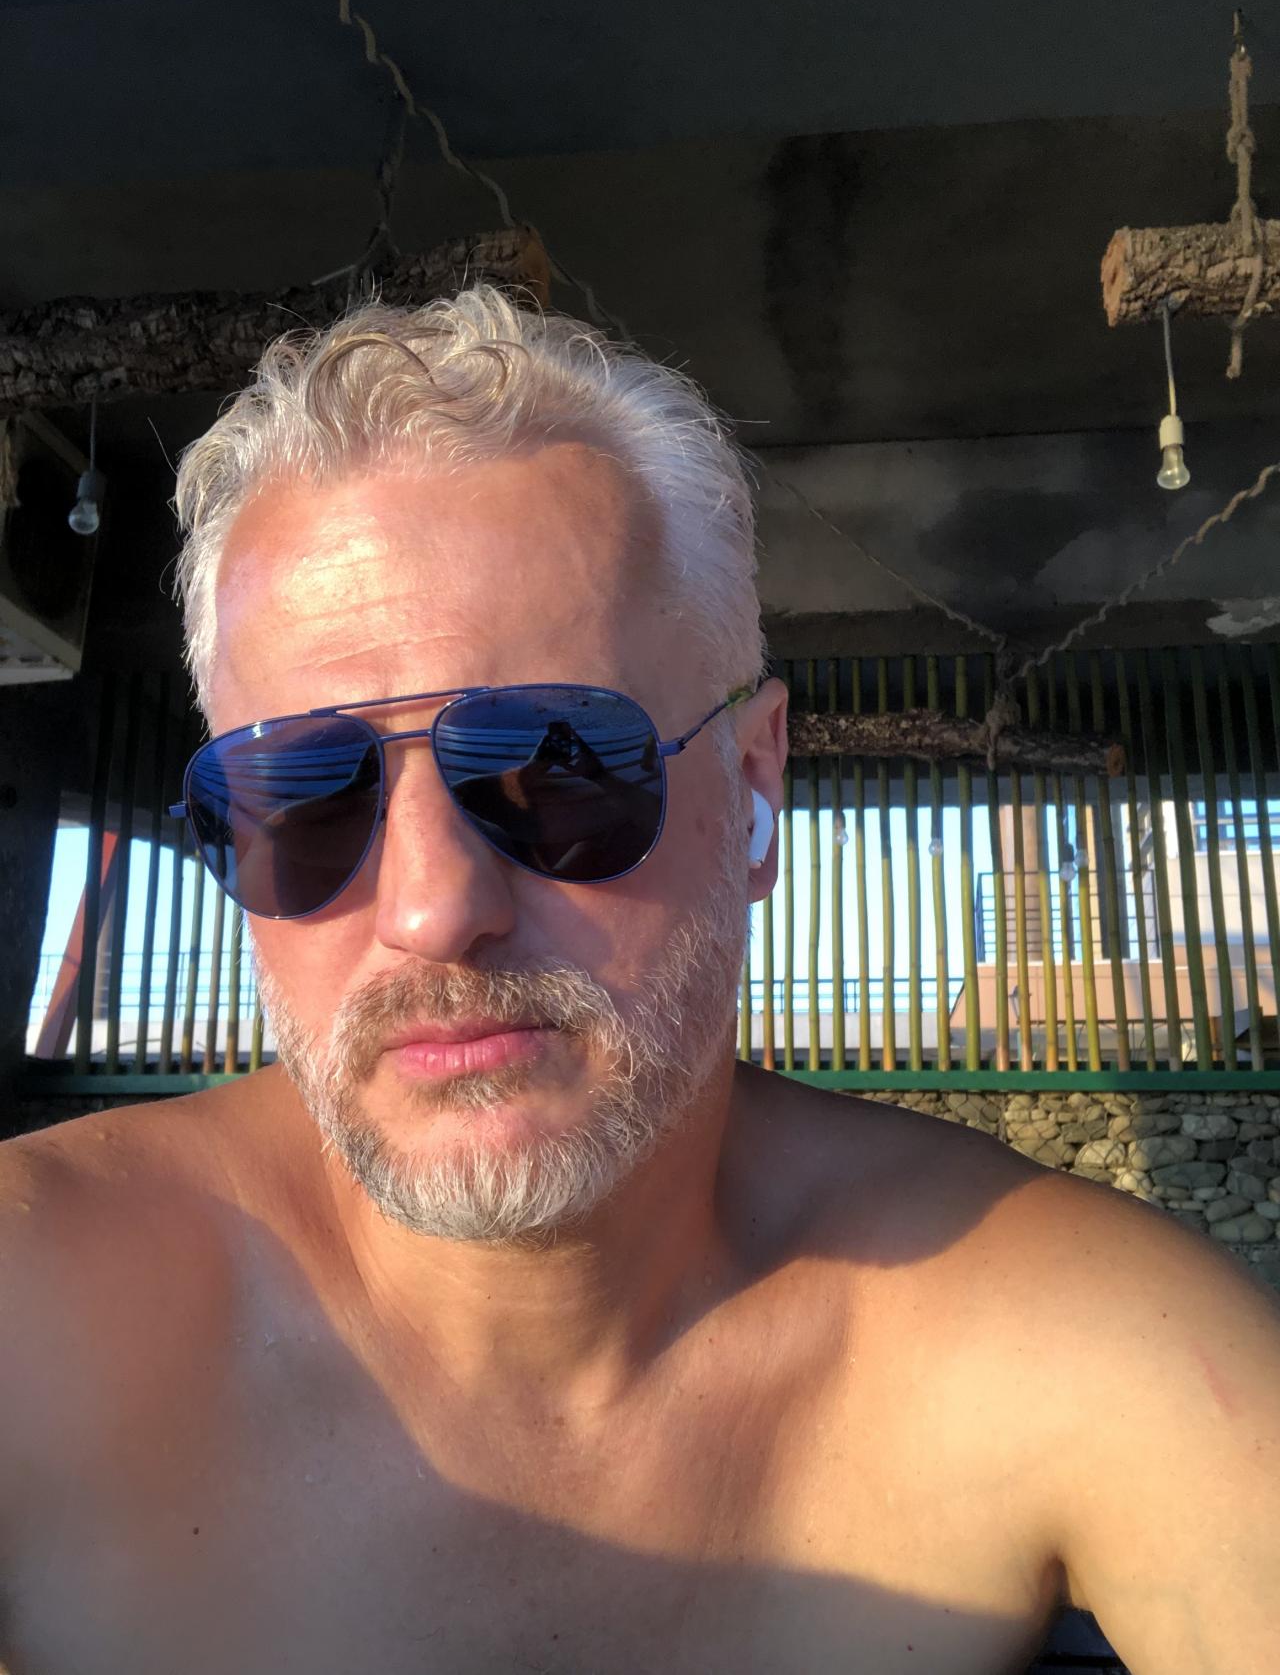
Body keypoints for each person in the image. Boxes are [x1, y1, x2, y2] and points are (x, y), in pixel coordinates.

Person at [2, 288, 1277, 1675]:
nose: (433, 911)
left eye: (557, 771)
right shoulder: (39, 1314)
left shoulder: (1074, 1343)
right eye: (303, 799)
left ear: (755, 778)